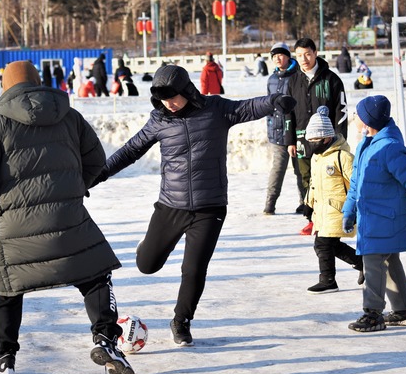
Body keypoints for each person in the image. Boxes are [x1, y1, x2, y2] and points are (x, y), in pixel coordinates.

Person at [91, 64, 295, 346]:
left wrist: (274, 101)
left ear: (187, 90)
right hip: (170, 206)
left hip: (209, 207)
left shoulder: (216, 109)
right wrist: (99, 175)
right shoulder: (159, 120)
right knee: (147, 265)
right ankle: (147, 246)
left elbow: (249, 107)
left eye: (173, 97)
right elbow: (130, 150)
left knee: (194, 269)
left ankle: (181, 321)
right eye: (163, 99)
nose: (169, 104)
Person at [0, 60, 134, 374]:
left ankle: (4, 359)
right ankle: (105, 338)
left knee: (4, 287)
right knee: (96, 274)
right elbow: (97, 159)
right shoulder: (69, 115)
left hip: (10, 225)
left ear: (5, 86)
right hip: (67, 219)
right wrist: (74, 189)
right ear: (38, 81)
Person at [341, 95, 406, 332]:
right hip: (372, 218)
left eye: (358, 115)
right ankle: (402, 310)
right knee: (389, 261)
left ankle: (373, 314)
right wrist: (349, 211)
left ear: (368, 121)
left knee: (373, 263)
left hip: (385, 219)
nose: (354, 118)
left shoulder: (389, 148)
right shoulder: (366, 144)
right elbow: (356, 183)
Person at [286, 37, 348, 236]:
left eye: (307, 54)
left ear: (315, 53)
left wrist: (340, 138)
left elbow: (342, 111)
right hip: (302, 139)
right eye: (299, 56)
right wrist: (290, 140)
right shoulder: (292, 81)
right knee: (306, 179)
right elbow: (287, 113)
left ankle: (329, 217)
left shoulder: (332, 80)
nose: (304, 59)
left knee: (326, 179)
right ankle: (312, 219)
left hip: (328, 141)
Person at [303, 106, 362, 294]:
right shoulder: (317, 157)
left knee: (322, 244)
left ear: (327, 138)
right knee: (332, 245)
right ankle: (364, 264)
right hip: (322, 211)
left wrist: (355, 208)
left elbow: (357, 182)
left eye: (315, 140)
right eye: (309, 141)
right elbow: (313, 183)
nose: (312, 144)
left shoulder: (342, 156)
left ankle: (328, 280)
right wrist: (308, 203)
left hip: (338, 210)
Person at [263, 42, 304, 216]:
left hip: (296, 130)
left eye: (281, 55)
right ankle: (270, 203)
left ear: (288, 56)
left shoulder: (297, 76)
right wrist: (270, 122)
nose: (278, 59)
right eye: (274, 56)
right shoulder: (271, 79)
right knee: (278, 168)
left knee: (300, 168)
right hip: (277, 131)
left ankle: (305, 202)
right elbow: (268, 103)